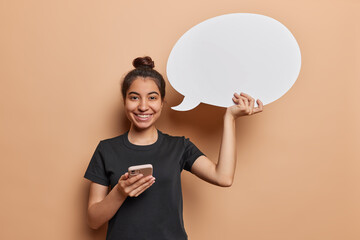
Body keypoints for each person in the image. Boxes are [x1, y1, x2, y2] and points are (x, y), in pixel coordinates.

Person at [84, 56, 263, 240]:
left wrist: (229, 118)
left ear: (162, 102)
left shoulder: (179, 146)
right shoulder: (106, 150)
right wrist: (120, 193)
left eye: (152, 98)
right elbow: (93, 221)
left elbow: (223, 177)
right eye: (134, 97)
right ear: (124, 101)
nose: (143, 106)